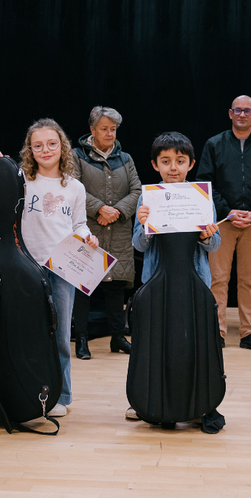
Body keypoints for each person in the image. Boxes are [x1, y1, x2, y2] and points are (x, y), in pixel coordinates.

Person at [0, 119, 98, 418]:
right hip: (24, 266)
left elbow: (80, 224)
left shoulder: (74, 187)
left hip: (62, 269)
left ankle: (61, 394)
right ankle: (25, 389)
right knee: (25, 330)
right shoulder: (20, 179)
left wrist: (88, 238)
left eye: (52, 144)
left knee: (59, 334)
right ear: (29, 150)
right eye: (38, 145)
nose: (45, 149)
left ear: (62, 147)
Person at [127, 131, 220, 421]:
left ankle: (196, 396)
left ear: (191, 164)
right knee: (153, 340)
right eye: (166, 161)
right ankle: (144, 398)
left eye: (180, 161)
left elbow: (214, 245)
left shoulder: (201, 195)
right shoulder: (147, 196)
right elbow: (138, 245)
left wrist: (207, 235)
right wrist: (143, 225)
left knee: (191, 340)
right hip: (156, 283)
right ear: (155, 165)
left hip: (195, 283)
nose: (173, 168)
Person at [196, 95, 251, 352]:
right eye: (238, 110)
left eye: (248, 111)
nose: (242, 114)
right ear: (230, 113)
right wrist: (227, 211)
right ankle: (217, 332)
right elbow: (205, 182)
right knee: (218, 279)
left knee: (249, 280)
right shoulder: (214, 144)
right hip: (222, 221)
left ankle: (248, 333)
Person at [71, 106, 141, 359]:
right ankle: (81, 339)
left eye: (113, 129)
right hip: (88, 230)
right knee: (83, 287)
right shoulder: (77, 156)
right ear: (92, 130)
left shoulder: (126, 159)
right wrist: (100, 208)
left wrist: (118, 211)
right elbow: (73, 188)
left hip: (120, 231)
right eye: (104, 129)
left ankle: (118, 337)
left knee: (116, 287)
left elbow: (137, 191)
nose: (110, 133)